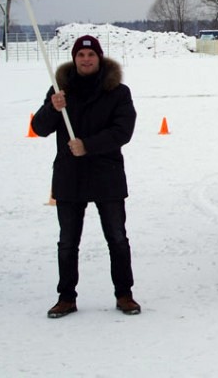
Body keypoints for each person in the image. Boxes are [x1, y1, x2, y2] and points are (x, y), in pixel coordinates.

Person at [31, 35, 141, 318]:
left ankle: (124, 294)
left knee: (117, 237)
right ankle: (66, 297)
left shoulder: (118, 91)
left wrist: (88, 145)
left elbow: (122, 131)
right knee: (68, 241)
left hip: (107, 175)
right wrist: (51, 108)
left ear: (99, 58)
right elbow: (40, 128)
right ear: (74, 59)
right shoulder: (60, 91)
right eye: (81, 55)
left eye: (91, 55)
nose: (86, 60)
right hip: (70, 176)